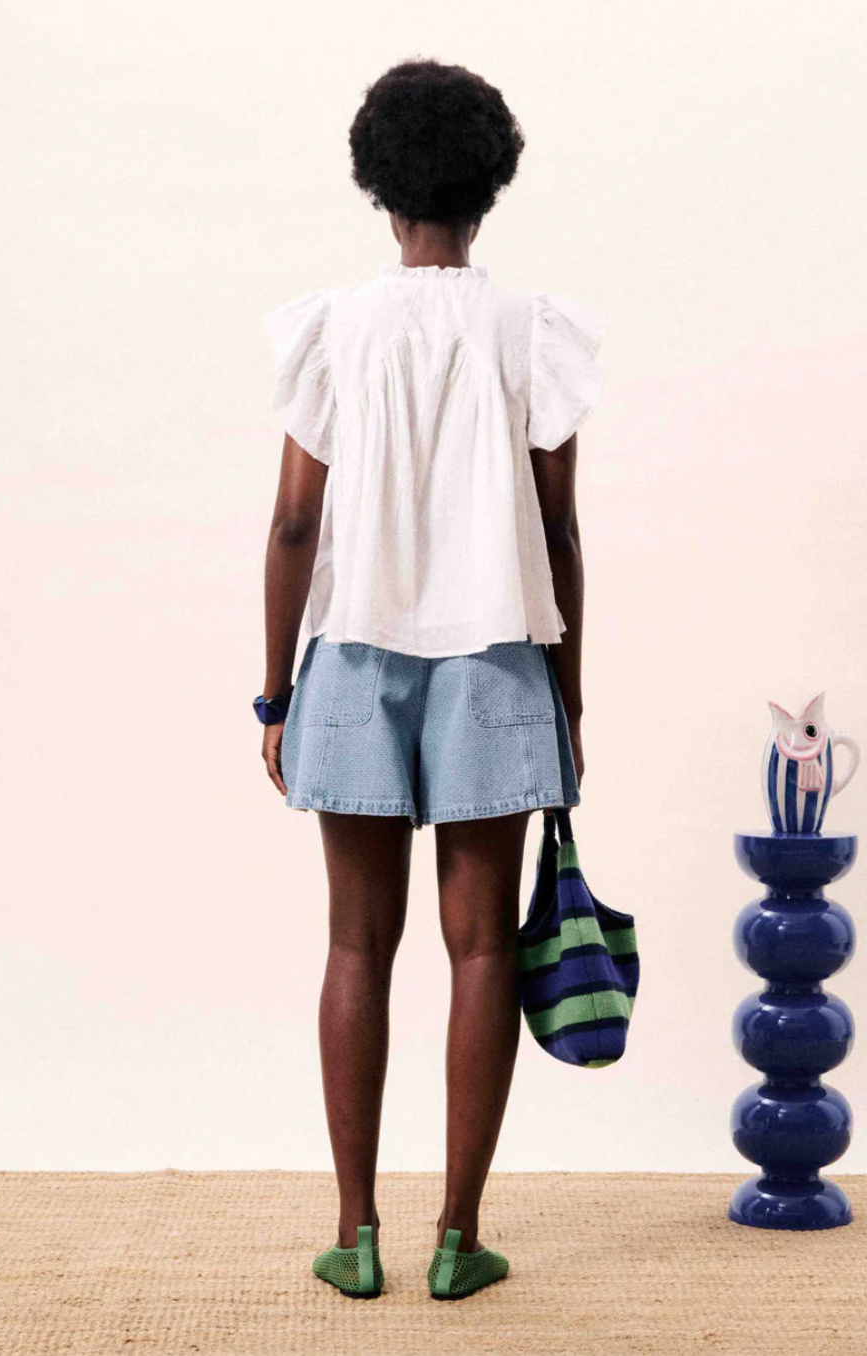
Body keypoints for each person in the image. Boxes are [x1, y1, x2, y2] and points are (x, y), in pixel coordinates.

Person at [255, 58, 605, 1301]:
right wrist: (569, 693)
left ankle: (355, 1235)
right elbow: (558, 531)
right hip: (498, 654)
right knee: (480, 948)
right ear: (489, 185)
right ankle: (458, 1237)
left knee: (357, 943)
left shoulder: (333, 327)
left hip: (353, 655)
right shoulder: (529, 330)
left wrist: (273, 695)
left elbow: (294, 526)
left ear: (378, 185)